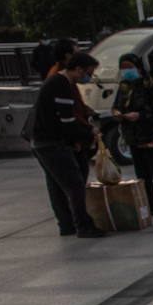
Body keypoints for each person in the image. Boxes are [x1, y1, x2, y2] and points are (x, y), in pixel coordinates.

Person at [30, 51, 103, 238]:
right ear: (78, 69)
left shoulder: (58, 82)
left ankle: (67, 224)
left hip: (43, 141)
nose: (88, 77)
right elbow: (67, 121)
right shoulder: (61, 85)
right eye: (88, 72)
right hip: (51, 142)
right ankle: (83, 226)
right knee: (75, 184)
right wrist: (87, 133)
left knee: (57, 185)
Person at [111, 53, 153, 218]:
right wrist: (118, 113)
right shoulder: (125, 87)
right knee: (142, 175)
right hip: (134, 137)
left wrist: (140, 116)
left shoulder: (150, 85)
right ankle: (150, 205)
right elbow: (117, 105)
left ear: (138, 67)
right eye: (123, 68)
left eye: (129, 68)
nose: (126, 72)